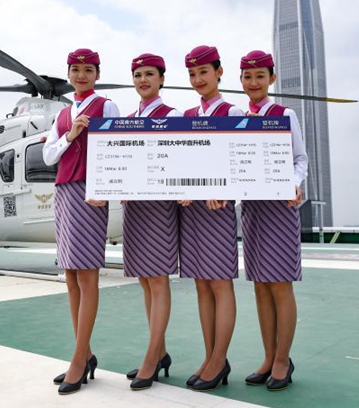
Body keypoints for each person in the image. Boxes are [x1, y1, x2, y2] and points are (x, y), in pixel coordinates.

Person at [42, 48, 120, 395]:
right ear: (70, 73)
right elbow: (47, 156)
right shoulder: (61, 115)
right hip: (63, 192)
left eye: (89, 70)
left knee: (87, 275)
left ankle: (78, 359)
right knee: (71, 276)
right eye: (76, 70)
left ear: (97, 73)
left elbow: (117, 151)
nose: (82, 75)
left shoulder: (106, 107)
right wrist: (70, 135)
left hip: (91, 193)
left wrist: (106, 189)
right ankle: (84, 353)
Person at [238, 50, 307, 391]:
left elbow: (300, 158)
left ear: (271, 79)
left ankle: (283, 359)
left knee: (280, 285)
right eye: (248, 77)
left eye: (260, 77)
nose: (254, 83)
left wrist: (295, 183)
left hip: (279, 208)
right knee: (260, 286)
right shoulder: (236, 118)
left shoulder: (284, 114)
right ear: (240, 81)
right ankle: (268, 356)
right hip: (252, 209)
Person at [178, 45, 245, 392]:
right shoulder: (186, 114)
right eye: (192, 74)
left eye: (203, 72)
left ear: (219, 72)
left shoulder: (232, 110)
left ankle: (219, 359)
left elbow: (241, 158)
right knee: (201, 284)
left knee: (220, 283)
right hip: (191, 209)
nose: (197, 79)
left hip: (217, 209)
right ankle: (210, 357)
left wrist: (225, 189)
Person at [121, 53, 182, 391]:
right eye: (138, 75)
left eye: (149, 74)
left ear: (162, 79)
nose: (143, 80)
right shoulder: (128, 119)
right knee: (145, 280)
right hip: (135, 208)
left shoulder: (172, 116)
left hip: (159, 207)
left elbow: (180, 159)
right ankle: (159, 351)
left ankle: (151, 357)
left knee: (158, 280)